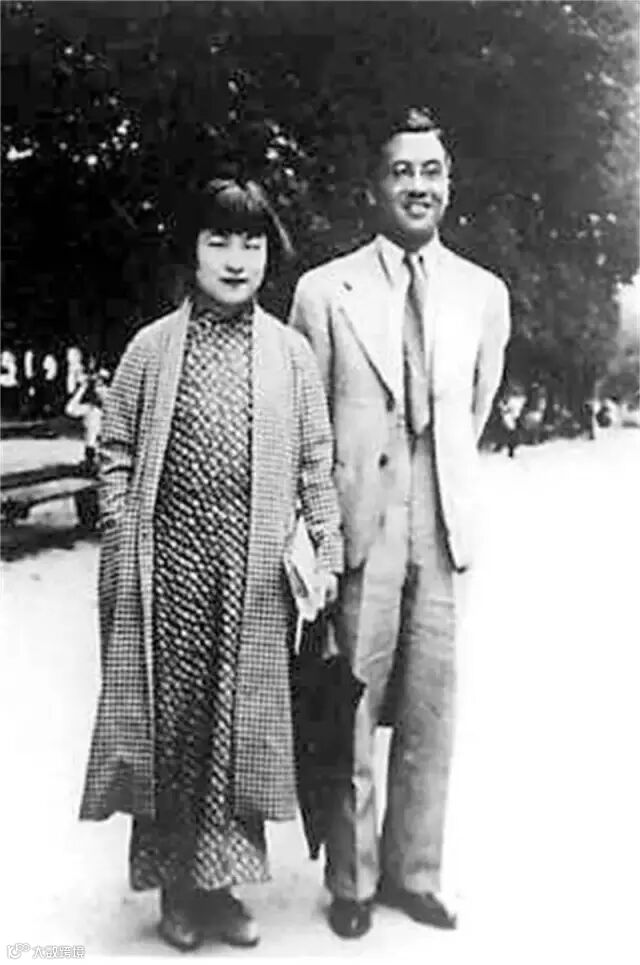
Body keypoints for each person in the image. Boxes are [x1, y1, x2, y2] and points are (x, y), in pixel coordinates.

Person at [79, 176, 343, 952]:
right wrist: (126, 531)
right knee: (176, 729)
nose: (235, 259)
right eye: (218, 240)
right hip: (168, 575)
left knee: (239, 726)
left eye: (251, 243)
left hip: (254, 578)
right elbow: (115, 451)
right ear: (190, 251)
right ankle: (176, 890)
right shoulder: (151, 348)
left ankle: (222, 887)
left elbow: (315, 463)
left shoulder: (290, 354)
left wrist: (325, 549)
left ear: (269, 254)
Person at [290, 106, 511, 939]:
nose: (418, 186)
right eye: (401, 171)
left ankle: (416, 872)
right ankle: (351, 879)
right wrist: (319, 531)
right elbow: (308, 419)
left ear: (449, 185)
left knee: (430, 709)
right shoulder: (325, 290)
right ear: (373, 188)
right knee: (351, 702)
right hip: (359, 526)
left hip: (441, 520)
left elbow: (475, 406)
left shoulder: (483, 293)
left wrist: (434, 480)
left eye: (432, 171)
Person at [65, 367, 111, 471]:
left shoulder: (115, 409)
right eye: (97, 387)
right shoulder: (91, 409)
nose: (100, 391)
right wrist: (82, 388)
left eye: (104, 386)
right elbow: (70, 409)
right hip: (93, 451)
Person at [495, 383, 526, 458]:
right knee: (508, 434)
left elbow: (513, 410)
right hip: (509, 418)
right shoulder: (517, 400)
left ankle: (507, 449)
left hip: (510, 418)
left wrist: (504, 408)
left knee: (510, 434)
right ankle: (503, 448)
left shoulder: (517, 400)